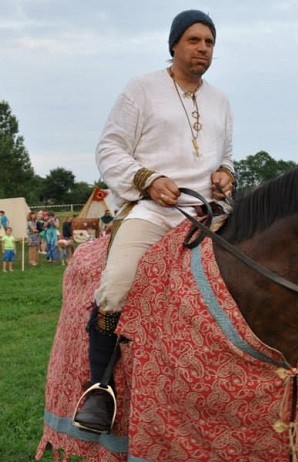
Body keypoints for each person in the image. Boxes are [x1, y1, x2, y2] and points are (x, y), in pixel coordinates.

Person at [72, 9, 235, 434]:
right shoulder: (141, 89)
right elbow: (110, 149)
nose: (203, 48)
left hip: (207, 214)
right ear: (174, 44)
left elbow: (227, 155)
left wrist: (226, 174)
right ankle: (99, 389)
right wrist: (147, 179)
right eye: (195, 40)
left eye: (210, 42)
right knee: (117, 283)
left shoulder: (220, 100)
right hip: (153, 209)